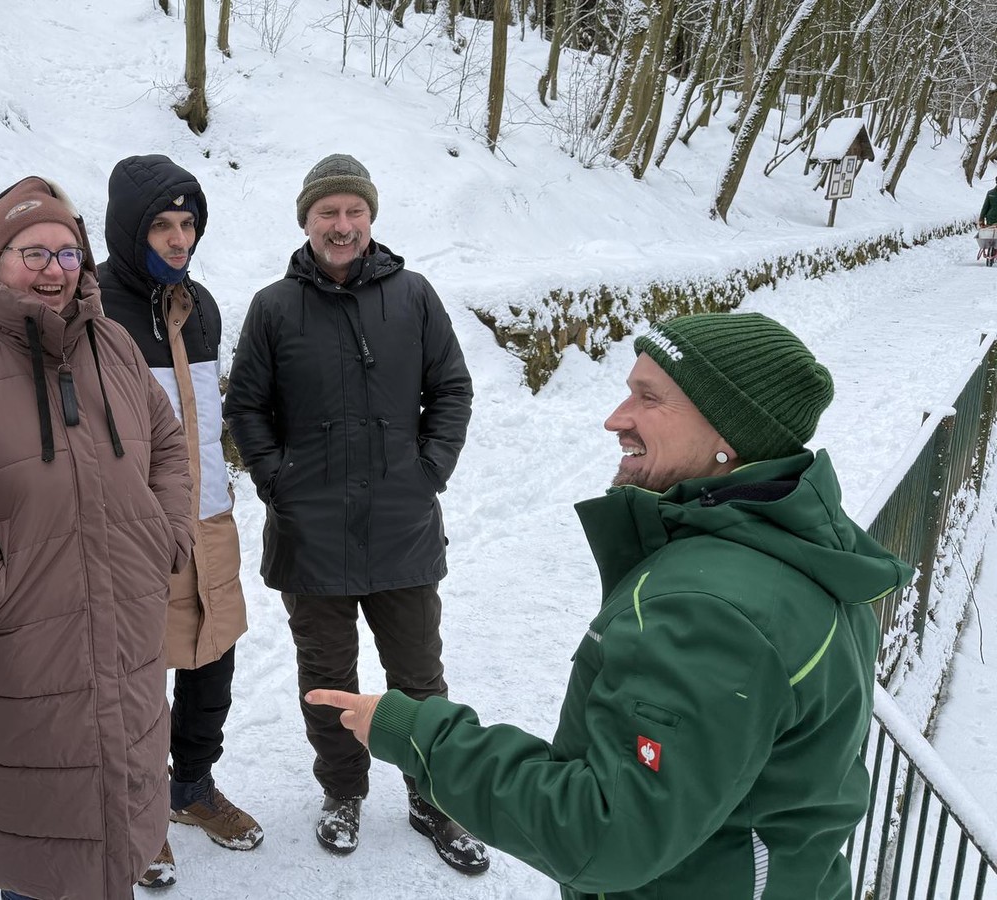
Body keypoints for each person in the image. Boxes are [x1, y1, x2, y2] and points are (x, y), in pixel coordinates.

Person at [311, 312, 914, 900]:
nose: (615, 419)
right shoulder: (794, 547)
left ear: (728, 435)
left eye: (649, 398)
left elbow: (604, 832)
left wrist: (417, 732)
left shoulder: (710, 611)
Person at [0, 176, 194, 900]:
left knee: (121, 813)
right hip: (22, 644)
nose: (54, 270)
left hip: (127, 627)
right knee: (43, 836)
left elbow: (167, 442)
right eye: (34, 252)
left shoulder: (112, 345)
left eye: (68, 253)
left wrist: (166, 535)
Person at [223, 153, 484, 874]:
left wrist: (429, 469)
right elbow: (245, 406)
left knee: (419, 680)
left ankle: (433, 797)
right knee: (327, 679)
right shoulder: (275, 307)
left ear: (371, 217)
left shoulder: (415, 296)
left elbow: (452, 390)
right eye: (327, 213)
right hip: (312, 536)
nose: (342, 226)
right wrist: (280, 482)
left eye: (354, 212)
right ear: (306, 221)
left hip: (402, 525)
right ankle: (342, 791)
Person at [98, 154, 261, 889]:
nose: (177, 238)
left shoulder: (202, 305)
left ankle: (190, 789)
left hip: (209, 517)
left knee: (212, 659)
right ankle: (137, 812)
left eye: (187, 223)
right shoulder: (92, 308)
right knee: (134, 678)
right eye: (161, 225)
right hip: (132, 528)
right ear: (129, 230)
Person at [978, 174, 997, 262]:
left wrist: (981, 219)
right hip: (991, 219)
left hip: (991, 219)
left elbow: (985, 207)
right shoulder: (990, 193)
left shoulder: (991, 193)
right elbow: (985, 207)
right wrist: (981, 219)